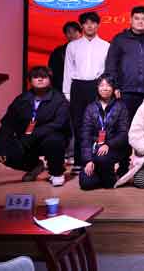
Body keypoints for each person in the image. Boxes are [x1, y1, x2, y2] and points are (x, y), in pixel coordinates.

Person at [105, 6, 144, 173]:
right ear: (131, 20)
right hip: (124, 92)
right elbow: (111, 65)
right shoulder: (119, 40)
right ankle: (123, 166)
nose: (140, 22)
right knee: (124, 130)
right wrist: (115, 86)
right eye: (137, 18)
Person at [0, 66, 70, 186]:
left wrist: (33, 135)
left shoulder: (59, 99)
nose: (40, 79)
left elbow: (59, 124)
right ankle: (34, 166)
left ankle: (56, 172)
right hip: (26, 140)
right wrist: (0, 146)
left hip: (48, 139)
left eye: (44, 76)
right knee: (4, 153)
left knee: (54, 140)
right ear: (30, 80)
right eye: (35, 77)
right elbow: (7, 124)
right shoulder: (21, 99)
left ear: (50, 80)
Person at [63, 11, 110, 174]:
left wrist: (106, 92)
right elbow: (68, 70)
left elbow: (107, 71)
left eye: (93, 22)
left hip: (97, 86)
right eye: (86, 23)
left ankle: (96, 159)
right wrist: (67, 93)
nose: (90, 26)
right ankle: (79, 160)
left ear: (98, 25)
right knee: (78, 124)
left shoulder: (106, 46)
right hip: (77, 87)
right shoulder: (73, 46)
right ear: (82, 25)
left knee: (98, 124)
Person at [79, 74, 129, 190]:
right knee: (86, 184)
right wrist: (88, 160)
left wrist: (108, 144)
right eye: (101, 85)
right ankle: (104, 174)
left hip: (114, 148)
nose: (105, 88)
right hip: (95, 148)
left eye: (108, 85)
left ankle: (110, 177)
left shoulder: (121, 107)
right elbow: (85, 135)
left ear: (113, 88)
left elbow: (123, 133)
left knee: (103, 162)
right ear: (97, 88)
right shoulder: (90, 108)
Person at [48, 21, 82, 93]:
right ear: (65, 34)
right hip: (62, 88)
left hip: (83, 88)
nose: (72, 34)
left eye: (75, 31)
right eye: (69, 32)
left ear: (80, 33)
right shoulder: (58, 51)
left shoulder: (88, 49)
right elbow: (51, 70)